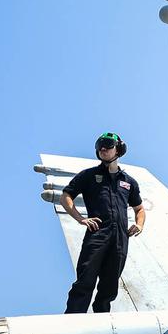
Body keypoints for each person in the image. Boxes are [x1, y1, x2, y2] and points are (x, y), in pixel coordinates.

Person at [60, 132, 145, 313]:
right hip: (97, 233)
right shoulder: (88, 176)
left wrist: (139, 225)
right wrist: (81, 219)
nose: (103, 149)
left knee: (110, 285)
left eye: (107, 145)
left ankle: (102, 322)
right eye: (99, 146)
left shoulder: (129, 182)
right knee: (85, 280)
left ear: (119, 149)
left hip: (120, 239)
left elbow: (140, 209)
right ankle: (73, 320)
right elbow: (66, 196)